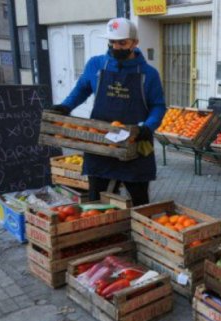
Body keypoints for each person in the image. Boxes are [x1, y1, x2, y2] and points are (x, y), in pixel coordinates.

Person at [49, 18, 166, 206]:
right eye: (112, 42)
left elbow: (158, 106)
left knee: (139, 199)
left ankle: (136, 230)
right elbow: (81, 89)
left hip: (135, 143)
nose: (116, 47)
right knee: (97, 198)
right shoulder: (96, 65)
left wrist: (149, 127)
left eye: (122, 42)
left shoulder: (149, 73)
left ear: (135, 43)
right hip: (100, 143)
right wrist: (66, 106)